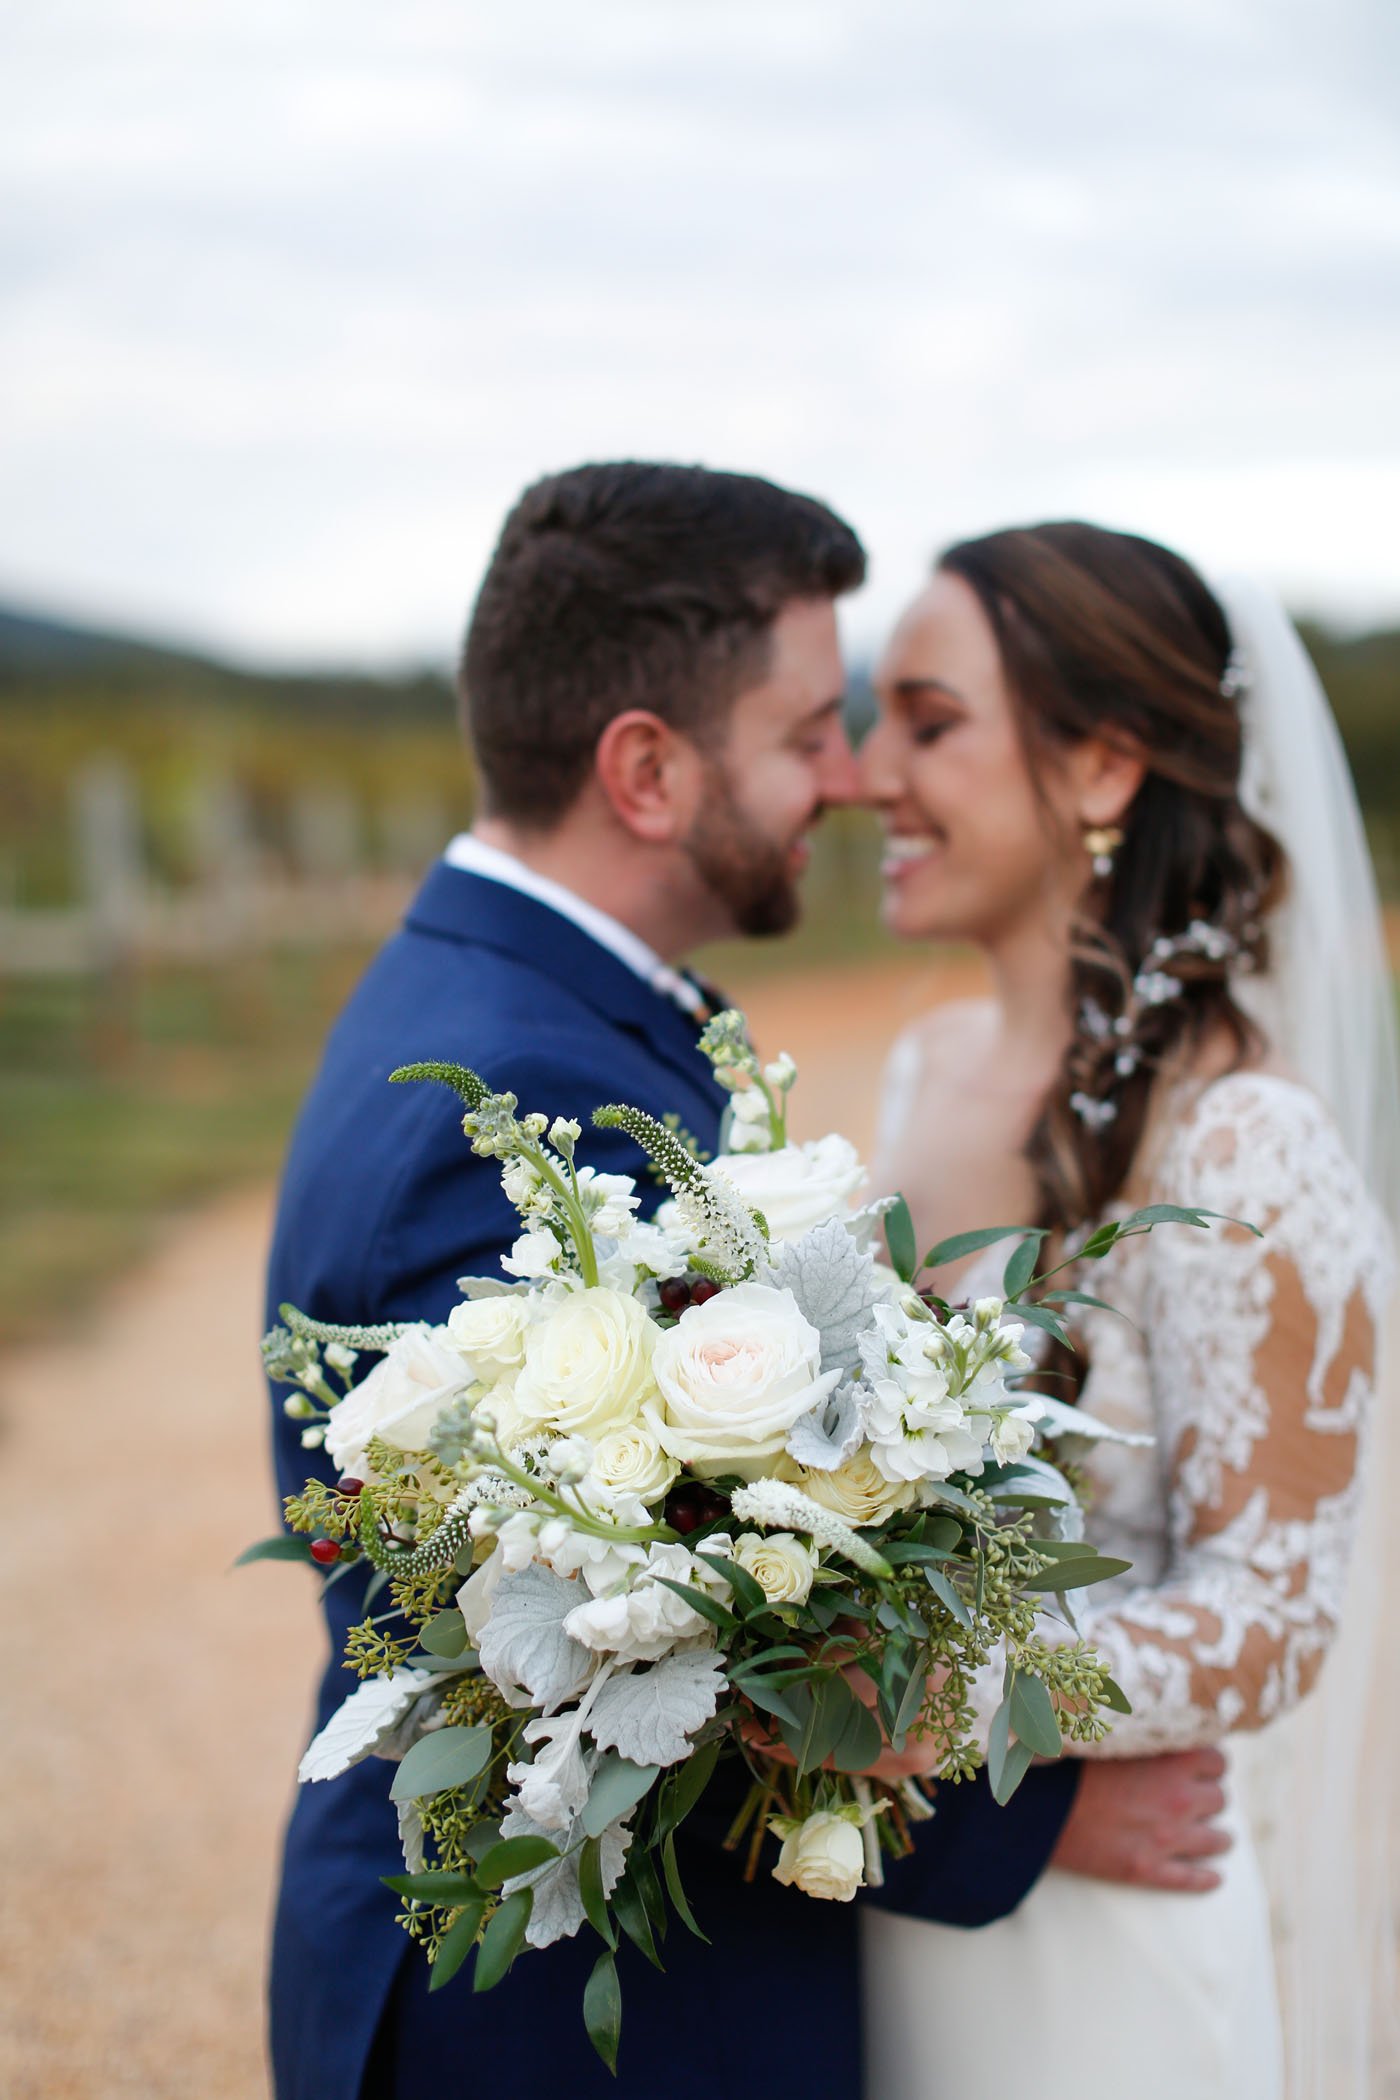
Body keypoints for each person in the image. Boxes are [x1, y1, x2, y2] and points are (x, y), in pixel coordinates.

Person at [265, 467, 1231, 2100]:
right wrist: (1044, 1813)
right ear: (645, 768)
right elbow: (595, 1629)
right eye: (807, 734)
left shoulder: (546, 1012)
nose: (848, 780)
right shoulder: (531, 1100)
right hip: (553, 2024)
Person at [857, 521, 1398, 2100]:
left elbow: (1271, 1620)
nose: (868, 773)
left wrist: (921, 1704)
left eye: (930, 721)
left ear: (1103, 770)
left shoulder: (1246, 1145)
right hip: (882, 1897)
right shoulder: (921, 1072)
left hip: (1097, 1961)